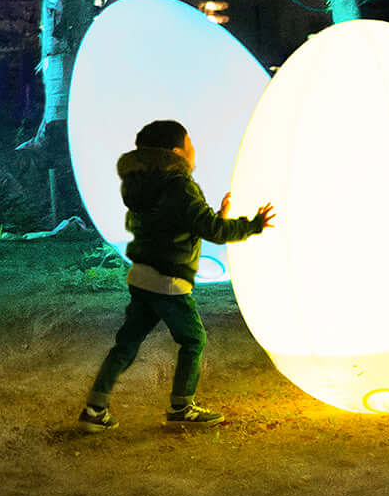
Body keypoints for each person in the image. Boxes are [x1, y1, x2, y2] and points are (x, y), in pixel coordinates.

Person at [81, 118, 273, 429]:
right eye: (190, 144)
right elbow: (212, 230)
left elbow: (175, 223)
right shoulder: (180, 185)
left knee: (127, 344)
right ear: (176, 151)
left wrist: (216, 215)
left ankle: (94, 409)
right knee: (193, 339)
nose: (194, 150)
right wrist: (254, 224)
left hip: (142, 275)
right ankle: (182, 407)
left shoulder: (142, 184)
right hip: (168, 281)